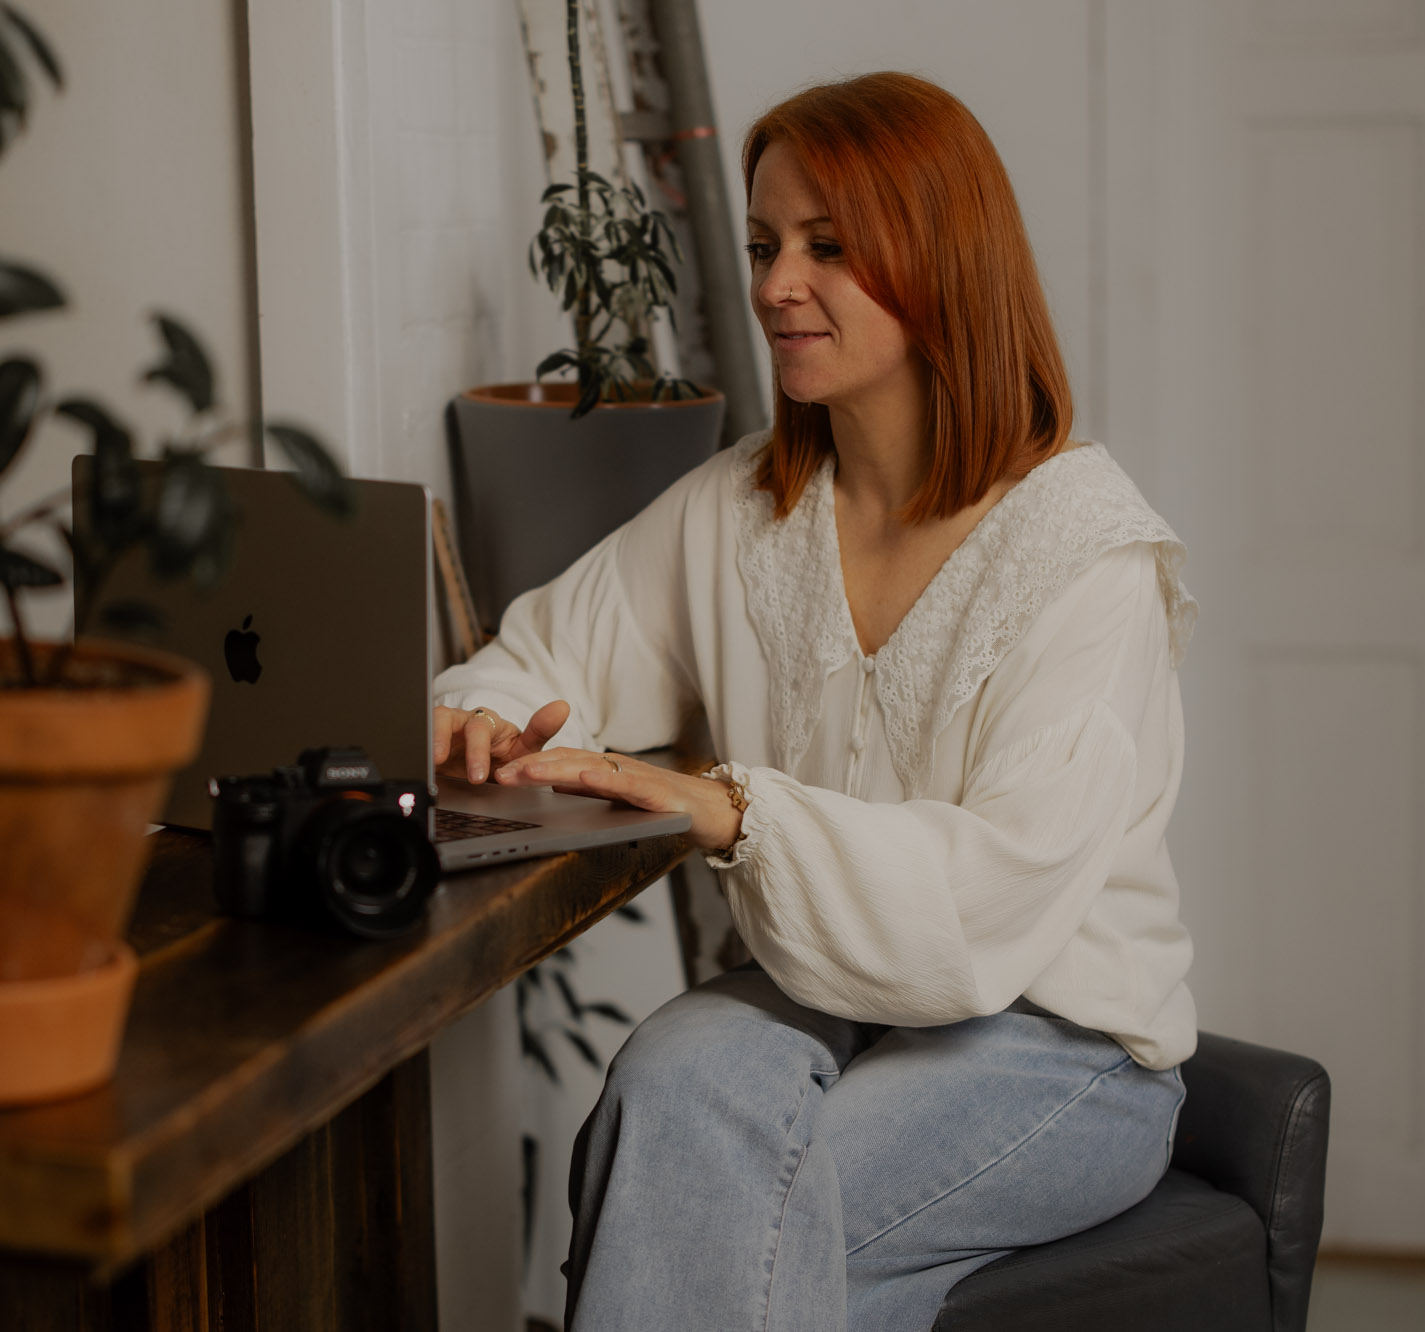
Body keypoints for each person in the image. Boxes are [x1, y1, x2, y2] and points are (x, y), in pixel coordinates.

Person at [431, 72, 1198, 1331]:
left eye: (827, 247)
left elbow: (992, 892)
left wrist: (737, 811)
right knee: (667, 1086)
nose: (775, 283)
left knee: (724, 1196)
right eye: (762, 244)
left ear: (941, 256)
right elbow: (550, 651)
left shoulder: (1084, 555)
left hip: (1058, 1041)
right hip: (817, 995)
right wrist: (481, 712)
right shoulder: (741, 506)